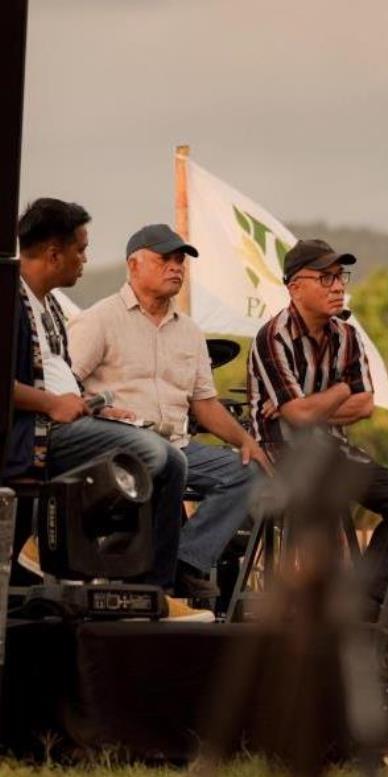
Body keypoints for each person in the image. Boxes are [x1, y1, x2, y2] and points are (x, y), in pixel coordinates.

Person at [5, 200, 209, 620]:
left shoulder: (50, 305)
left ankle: (148, 590)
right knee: (155, 454)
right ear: (53, 253)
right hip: (35, 434)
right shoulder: (11, 299)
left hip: (66, 422)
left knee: (168, 456)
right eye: (80, 249)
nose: (86, 259)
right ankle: (54, 544)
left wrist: (95, 408)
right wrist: (52, 403)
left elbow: (61, 378)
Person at [68, 224, 270, 600]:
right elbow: (65, 386)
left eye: (180, 260)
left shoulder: (190, 331)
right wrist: (104, 413)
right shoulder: (99, 319)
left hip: (178, 445)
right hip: (120, 449)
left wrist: (246, 441)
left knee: (251, 471)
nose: (176, 267)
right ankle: (156, 572)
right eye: (165, 259)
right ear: (133, 264)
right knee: (163, 463)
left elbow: (205, 404)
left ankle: (183, 562)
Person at [247, 238, 388, 612]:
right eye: (325, 278)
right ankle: (318, 605)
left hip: (333, 450)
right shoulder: (272, 337)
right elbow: (297, 418)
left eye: (340, 276)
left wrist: (306, 407)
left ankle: (366, 596)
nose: (339, 286)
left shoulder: (347, 335)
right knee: (322, 491)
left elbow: (364, 406)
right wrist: (341, 389)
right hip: (280, 452)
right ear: (295, 286)